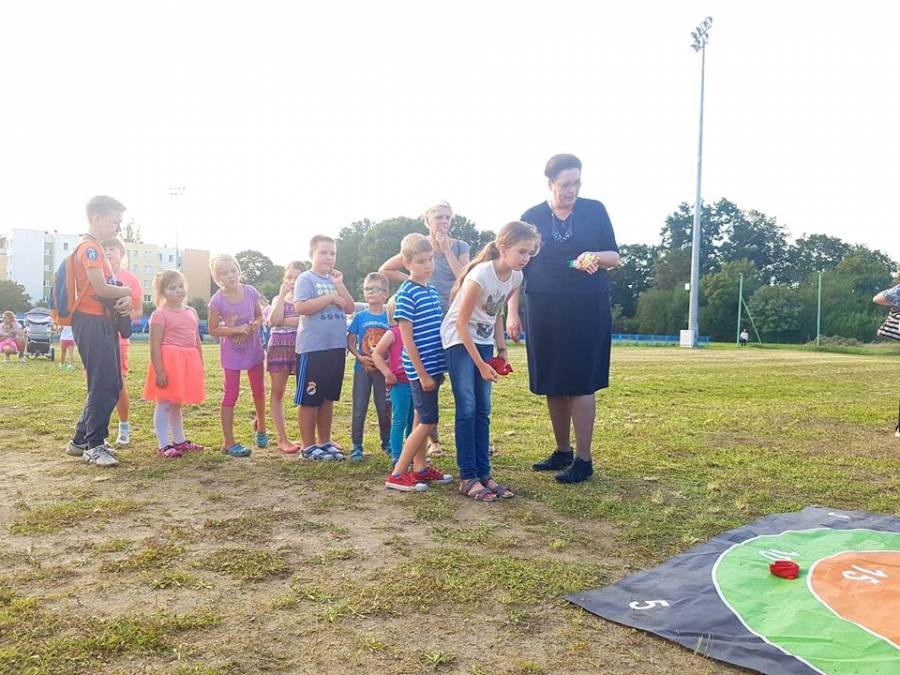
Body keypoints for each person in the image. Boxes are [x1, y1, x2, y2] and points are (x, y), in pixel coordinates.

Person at [506, 154, 620, 484]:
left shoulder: (595, 210)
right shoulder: (531, 217)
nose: (572, 190)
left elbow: (614, 256)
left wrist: (595, 256)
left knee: (581, 381)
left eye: (577, 183)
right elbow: (517, 265)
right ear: (550, 184)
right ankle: (562, 451)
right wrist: (512, 311)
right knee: (552, 380)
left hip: (587, 306)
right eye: (566, 184)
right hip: (543, 306)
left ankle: (584, 459)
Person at [442, 222, 540, 501]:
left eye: (530, 253)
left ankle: (484, 474)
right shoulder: (480, 275)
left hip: (484, 340)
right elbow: (461, 324)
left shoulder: (516, 277)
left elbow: (496, 313)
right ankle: (468, 477)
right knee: (467, 408)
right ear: (502, 248)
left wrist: (501, 349)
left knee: (483, 409)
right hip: (459, 340)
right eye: (521, 251)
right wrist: (481, 364)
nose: (526, 258)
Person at [380, 200, 470, 459]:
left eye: (448, 217)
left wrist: (445, 250)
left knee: (441, 382)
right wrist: (414, 282)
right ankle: (426, 447)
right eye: (439, 217)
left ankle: (423, 460)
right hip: (422, 316)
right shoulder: (418, 246)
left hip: (450, 315)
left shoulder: (459, 246)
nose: (444, 221)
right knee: (426, 394)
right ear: (427, 221)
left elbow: (465, 277)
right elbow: (386, 268)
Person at [63, 195, 135, 468]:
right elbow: (101, 288)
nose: (118, 227)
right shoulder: (90, 248)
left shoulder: (97, 249)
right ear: (97, 218)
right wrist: (127, 291)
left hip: (102, 321)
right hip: (91, 320)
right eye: (114, 221)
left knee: (110, 383)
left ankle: (80, 440)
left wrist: (123, 297)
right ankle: (94, 445)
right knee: (104, 384)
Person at [385, 233, 453, 492]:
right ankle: (398, 473)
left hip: (433, 367)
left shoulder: (431, 290)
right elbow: (408, 340)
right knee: (427, 422)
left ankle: (420, 468)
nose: (428, 265)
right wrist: (422, 374)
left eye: (430, 259)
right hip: (420, 370)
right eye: (421, 261)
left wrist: (438, 369)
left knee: (421, 418)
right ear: (406, 263)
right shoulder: (406, 293)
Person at [293, 235, 356, 460]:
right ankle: (308, 446)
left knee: (328, 398)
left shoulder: (335, 280)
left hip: (336, 347)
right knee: (310, 398)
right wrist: (329, 297)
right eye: (323, 252)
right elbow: (300, 307)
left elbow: (349, 307)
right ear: (312, 254)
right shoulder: (305, 279)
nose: (329, 257)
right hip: (313, 349)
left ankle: (324, 441)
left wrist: (339, 286)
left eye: (332, 253)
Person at [208, 254, 266, 457]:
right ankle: (228, 442)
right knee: (230, 394)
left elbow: (259, 315)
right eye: (224, 273)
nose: (230, 275)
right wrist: (236, 329)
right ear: (217, 278)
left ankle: (261, 426)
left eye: (233, 270)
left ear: (239, 271)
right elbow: (213, 329)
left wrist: (256, 323)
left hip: (253, 349)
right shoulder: (217, 300)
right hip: (232, 353)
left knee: (259, 390)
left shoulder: (250, 291)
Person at [143, 270, 206, 458]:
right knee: (165, 403)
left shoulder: (191, 311)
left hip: (188, 361)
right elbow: (154, 345)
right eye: (172, 288)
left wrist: (200, 362)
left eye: (181, 286)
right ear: (162, 292)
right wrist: (160, 371)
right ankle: (163, 444)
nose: (178, 290)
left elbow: (196, 339)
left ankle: (180, 440)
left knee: (177, 403)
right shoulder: (159, 314)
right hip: (169, 362)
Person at [102, 238, 143, 446]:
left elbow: (138, 309)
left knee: (118, 384)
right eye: (105, 249)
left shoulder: (130, 279)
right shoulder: (97, 276)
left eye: (112, 249)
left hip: (118, 339)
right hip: (98, 335)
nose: (108, 252)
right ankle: (98, 429)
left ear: (121, 253)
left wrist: (124, 314)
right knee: (97, 385)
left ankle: (124, 427)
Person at [347, 272, 391, 461]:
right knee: (359, 408)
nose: (370, 292)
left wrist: (387, 363)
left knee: (384, 407)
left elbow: (397, 342)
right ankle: (356, 445)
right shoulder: (360, 317)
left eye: (375, 289)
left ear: (385, 294)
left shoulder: (390, 317)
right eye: (367, 289)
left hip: (384, 371)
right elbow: (350, 341)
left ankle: (387, 442)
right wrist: (360, 358)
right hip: (362, 369)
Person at [266, 261, 305, 454]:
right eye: (289, 277)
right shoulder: (277, 298)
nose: (292, 281)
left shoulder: (306, 300)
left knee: (306, 393)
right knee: (278, 391)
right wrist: (282, 296)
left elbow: (305, 320)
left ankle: (310, 437)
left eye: (297, 277)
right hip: (278, 348)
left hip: (301, 348)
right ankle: (283, 439)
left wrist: (284, 320)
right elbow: (273, 320)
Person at [371, 295, 415, 463]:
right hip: (400, 384)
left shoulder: (416, 332)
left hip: (416, 383)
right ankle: (398, 457)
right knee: (399, 421)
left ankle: (412, 455)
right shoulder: (392, 333)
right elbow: (376, 354)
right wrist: (387, 373)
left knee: (414, 421)